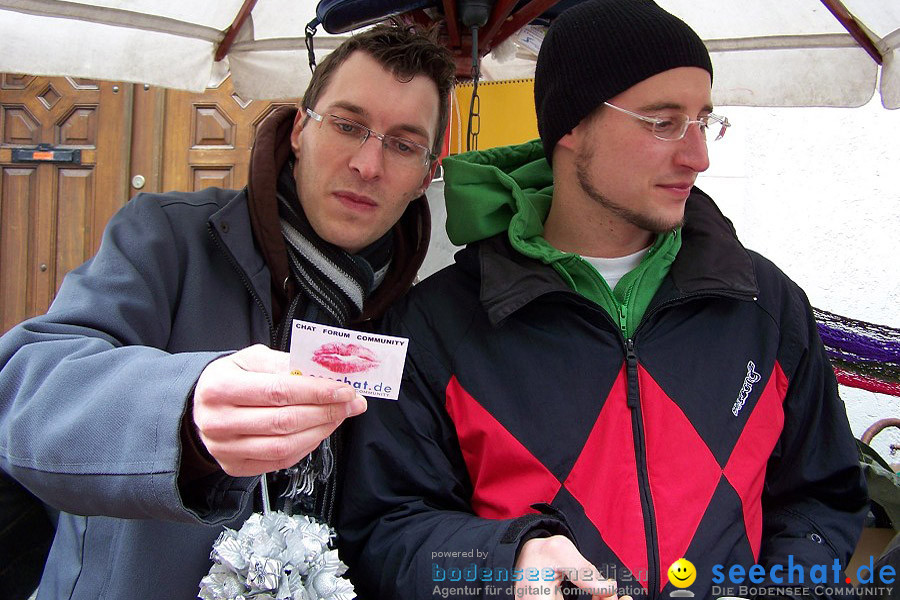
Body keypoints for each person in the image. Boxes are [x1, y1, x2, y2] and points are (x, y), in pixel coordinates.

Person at [337, 2, 868, 599]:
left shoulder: (765, 306)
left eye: (704, 120)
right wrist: (503, 565)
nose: (699, 156)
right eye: (663, 122)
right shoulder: (438, 324)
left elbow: (823, 500)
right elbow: (384, 531)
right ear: (571, 126)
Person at [0, 24, 454, 600]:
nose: (368, 163)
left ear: (425, 175)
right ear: (299, 131)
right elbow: (23, 393)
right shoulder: (167, 238)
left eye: (403, 143)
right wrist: (183, 413)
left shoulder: (424, 314)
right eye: (347, 125)